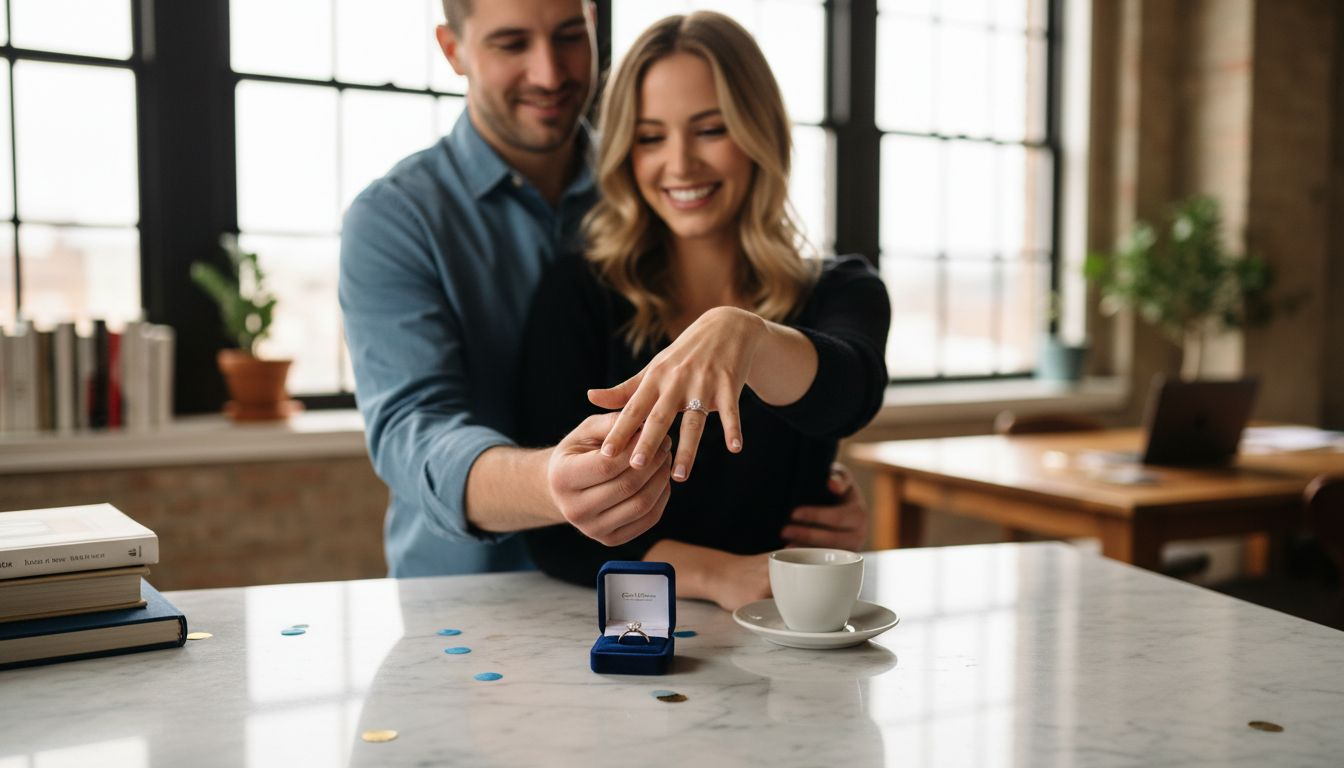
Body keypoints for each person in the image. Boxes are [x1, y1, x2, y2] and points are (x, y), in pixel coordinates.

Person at [340, 0, 871, 578]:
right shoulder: (397, 218)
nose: (549, 73)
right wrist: (552, 486)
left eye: (570, 35)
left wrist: (811, 495)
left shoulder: (647, 184)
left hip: (652, 599)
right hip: (471, 589)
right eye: (512, 44)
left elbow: (836, 386)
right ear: (453, 49)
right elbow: (415, 430)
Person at [517, 11, 890, 610]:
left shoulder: (841, 289)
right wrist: (721, 576)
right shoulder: (580, 293)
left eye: (711, 129)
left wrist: (745, 335)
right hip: (628, 628)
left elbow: (850, 393)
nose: (681, 164)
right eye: (650, 136)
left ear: (759, 132)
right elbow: (557, 532)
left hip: (787, 627)